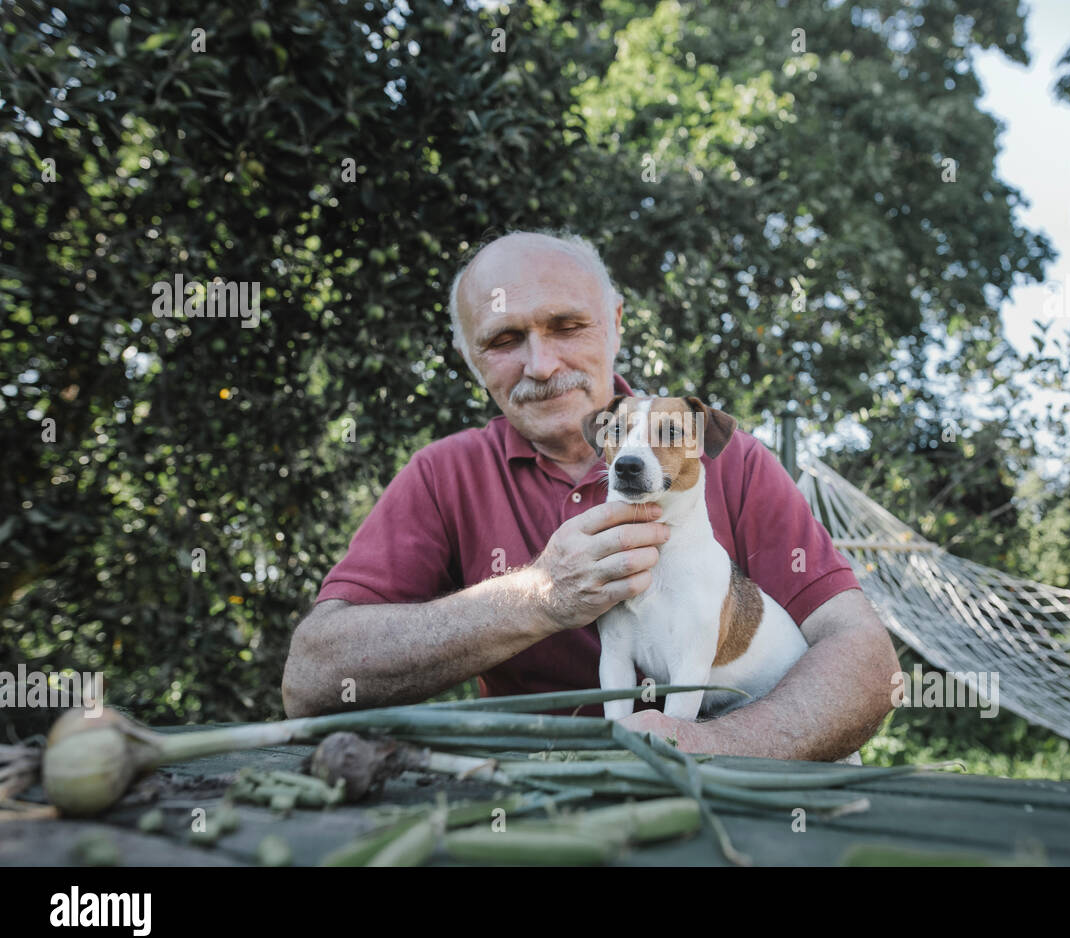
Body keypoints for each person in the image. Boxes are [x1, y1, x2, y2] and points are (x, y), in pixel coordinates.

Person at [281, 230, 900, 761]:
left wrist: (707, 747)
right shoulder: (445, 474)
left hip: (729, 798)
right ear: (471, 357)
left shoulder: (725, 459)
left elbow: (865, 660)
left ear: (616, 324)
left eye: (567, 325)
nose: (542, 364)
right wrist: (536, 598)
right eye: (503, 340)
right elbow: (312, 678)